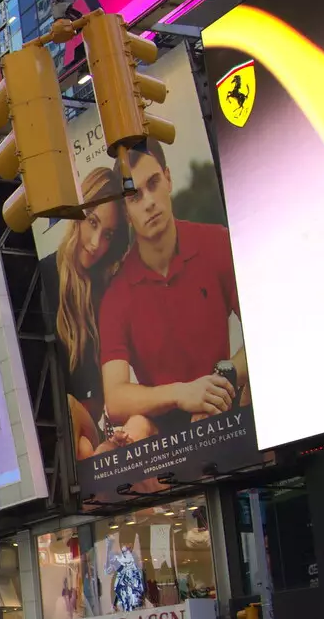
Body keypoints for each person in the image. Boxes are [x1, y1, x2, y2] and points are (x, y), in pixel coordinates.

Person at [98, 140, 247, 439]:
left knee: (260, 383)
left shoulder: (217, 244)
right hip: (165, 433)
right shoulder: (116, 296)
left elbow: (269, 331)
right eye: (135, 196)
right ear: (126, 212)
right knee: (133, 430)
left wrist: (217, 386)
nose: (149, 202)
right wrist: (183, 393)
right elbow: (115, 399)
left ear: (168, 178)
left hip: (227, 404)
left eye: (153, 183)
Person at [50, 167, 153, 459]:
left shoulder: (111, 289)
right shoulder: (46, 277)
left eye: (108, 235)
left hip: (103, 424)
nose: (96, 244)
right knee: (75, 429)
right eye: (91, 222)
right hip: (67, 430)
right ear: (77, 216)